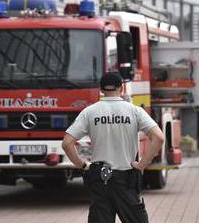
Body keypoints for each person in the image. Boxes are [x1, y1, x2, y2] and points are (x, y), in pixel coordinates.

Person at [62, 72, 165, 223]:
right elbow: (159, 138)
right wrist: (142, 164)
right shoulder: (135, 111)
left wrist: (83, 166)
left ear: (101, 90)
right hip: (126, 179)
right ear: (122, 88)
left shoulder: (89, 112)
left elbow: (66, 143)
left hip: (99, 179)